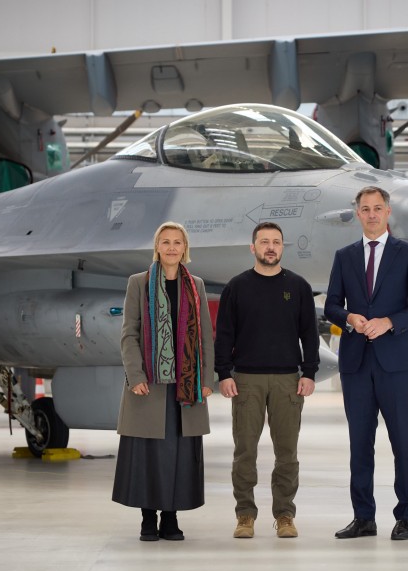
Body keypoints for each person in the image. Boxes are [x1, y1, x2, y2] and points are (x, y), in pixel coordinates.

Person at [324, 186, 408, 541]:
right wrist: (349, 318)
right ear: (357, 214)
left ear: (388, 212)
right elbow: (331, 306)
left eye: (377, 208)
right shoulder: (345, 256)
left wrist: (390, 322)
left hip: (398, 364)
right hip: (356, 363)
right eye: (365, 209)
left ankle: (405, 517)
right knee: (360, 443)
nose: (371, 214)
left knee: (403, 440)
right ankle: (363, 517)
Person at [215, 222, 320, 539]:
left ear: (282, 247)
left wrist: (310, 372)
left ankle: (285, 515)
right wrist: (223, 374)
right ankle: (245, 515)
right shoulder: (237, 287)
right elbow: (225, 335)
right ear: (253, 248)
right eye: (264, 242)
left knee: (286, 453)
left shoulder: (299, 287)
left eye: (276, 242)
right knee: (244, 452)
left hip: (288, 381)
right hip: (246, 381)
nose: (270, 247)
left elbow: (309, 335)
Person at [112, 222, 215, 541]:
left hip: (187, 382)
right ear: (157, 247)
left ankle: (170, 518)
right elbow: (129, 334)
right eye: (166, 242)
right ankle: (148, 519)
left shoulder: (195, 284)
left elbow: (206, 336)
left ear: (185, 248)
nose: (172, 248)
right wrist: (135, 375)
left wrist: (207, 377)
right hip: (149, 382)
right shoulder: (138, 283)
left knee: (179, 451)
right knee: (149, 452)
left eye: (178, 242)